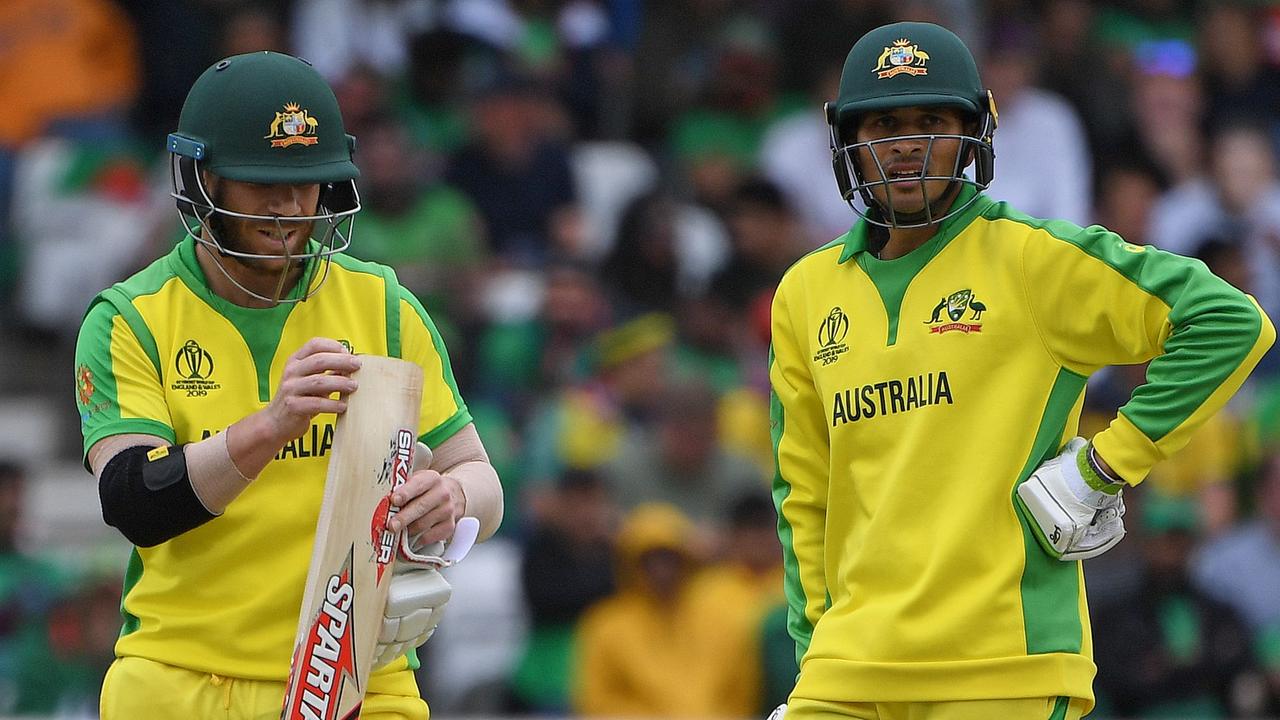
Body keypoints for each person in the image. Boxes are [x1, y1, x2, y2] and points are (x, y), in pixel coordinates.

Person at [768, 21, 1274, 720]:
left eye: (932, 121)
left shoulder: (1032, 260)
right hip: (847, 671)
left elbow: (1229, 321)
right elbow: (804, 494)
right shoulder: (804, 292)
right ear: (847, 141)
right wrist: (814, 657)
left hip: (1005, 667)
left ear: (977, 131)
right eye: (883, 122)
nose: (908, 143)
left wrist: (1105, 466)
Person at [72, 51, 503, 720]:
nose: (288, 209)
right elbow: (135, 502)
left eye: (308, 184)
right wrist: (269, 428)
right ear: (202, 180)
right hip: (184, 678)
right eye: (259, 184)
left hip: (358, 674)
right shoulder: (133, 318)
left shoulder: (383, 306)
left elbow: (481, 476)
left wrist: (452, 494)